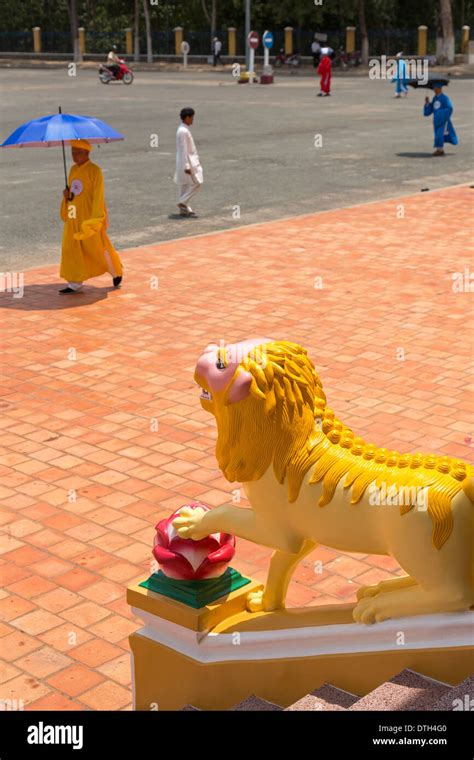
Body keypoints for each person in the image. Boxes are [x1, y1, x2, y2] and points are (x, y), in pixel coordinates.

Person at [59, 140, 123, 293]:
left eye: (78, 153)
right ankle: (74, 282)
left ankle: (116, 270)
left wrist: (95, 219)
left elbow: (98, 196)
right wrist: (66, 196)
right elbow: (73, 194)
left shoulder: (95, 171)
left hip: (89, 216)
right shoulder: (73, 169)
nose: (74, 156)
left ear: (87, 153)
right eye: (72, 152)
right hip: (74, 216)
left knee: (98, 248)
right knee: (71, 247)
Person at [174, 108, 203, 218]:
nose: (192, 120)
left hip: (185, 160)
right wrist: (186, 165)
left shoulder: (183, 129)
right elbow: (183, 149)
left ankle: (184, 209)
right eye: (191, 118)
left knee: (184, 184)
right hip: (186, 161)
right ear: (187, 117)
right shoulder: (183, 131)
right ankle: (182, 201)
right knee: (197, 182)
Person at [423, 83, 458, 156]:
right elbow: (432, 109)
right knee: (437, 134)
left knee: (439, 134)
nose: (435, 91)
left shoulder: (445, 98)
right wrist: (427, 103)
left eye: (436, 89)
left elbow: (450, 108)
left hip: (443, 120)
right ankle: (440, 149)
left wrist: (442, 115)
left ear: (440, 89)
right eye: (434, 89)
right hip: (436, 120)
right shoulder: (435, 98)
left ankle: (439, 150)